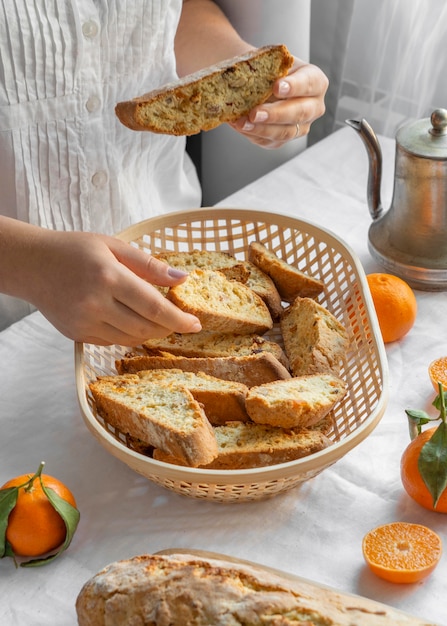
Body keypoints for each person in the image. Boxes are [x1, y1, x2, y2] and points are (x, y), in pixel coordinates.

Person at [0, 0, 328, 345]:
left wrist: (241, 75)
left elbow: (172, 11)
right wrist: (33, 265)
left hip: (171, 258)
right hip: (13, 317)